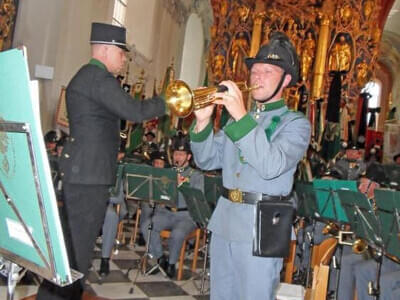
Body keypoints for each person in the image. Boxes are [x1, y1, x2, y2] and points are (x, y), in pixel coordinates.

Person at [36, 22, 165, 300]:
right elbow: (135, 110)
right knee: (77, 255)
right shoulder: (99, 79)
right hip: (89, 177)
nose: (124, 58)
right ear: (106, 50)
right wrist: (167, 102)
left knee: (67, 250)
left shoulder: (85, 76)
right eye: (121, 52)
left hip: (81, 171)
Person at [189, 32, 311, 299]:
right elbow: (206, 159)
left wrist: (241, 115)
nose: (257, 77)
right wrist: (202, 123)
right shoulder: (238, 120)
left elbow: (270, 165)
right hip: (226, 220)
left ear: (286, 79)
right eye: (255, 70)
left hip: (263, 225)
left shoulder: (296, 124)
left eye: (267, 71)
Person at [140, 134, 204, 278]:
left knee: (177, 234)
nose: (178, 157)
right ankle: (160, 258)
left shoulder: (196, 175)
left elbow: (198, 199)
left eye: (181, 154)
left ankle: (171, 263)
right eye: (176, 154)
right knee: (146, 226)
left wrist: (183, 185)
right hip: (166, 212)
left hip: (186, 216)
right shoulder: (168, 172)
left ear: (188, 157)